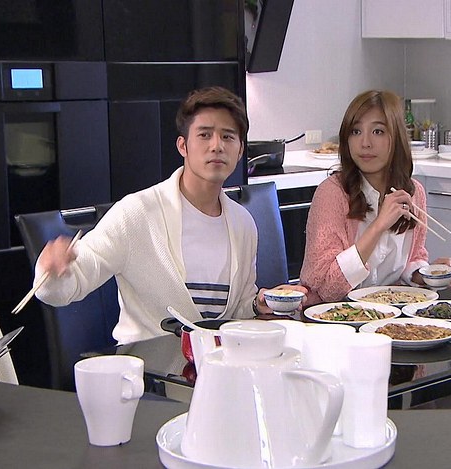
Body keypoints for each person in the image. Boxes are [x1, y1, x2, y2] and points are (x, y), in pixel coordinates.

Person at [34, 86, 305, 344]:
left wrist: (257, 304)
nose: (217, 146)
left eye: (228, 136)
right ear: (183, 146)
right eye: (204, 135)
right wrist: (52, 271)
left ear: (240, 150)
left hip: (217, 364)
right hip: (148, 367)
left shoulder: (243, 223)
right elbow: (65, 287)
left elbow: (237, 311)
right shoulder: (137, 213)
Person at [300, 89, 451, 305]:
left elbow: (413, 257)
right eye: (356, 131)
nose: (365, 143)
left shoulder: (414, 193)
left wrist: (424, 275)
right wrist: (378, 226)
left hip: (392, 313)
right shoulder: (332, 193)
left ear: (396, 138)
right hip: (335, 315)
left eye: (378, 131)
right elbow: (328, 290)